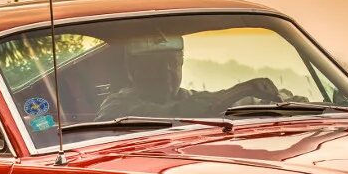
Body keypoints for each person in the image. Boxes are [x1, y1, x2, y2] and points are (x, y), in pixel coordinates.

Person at [95, 34, 281, 120]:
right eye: (155, 64)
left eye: (173, 62)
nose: (167, 70)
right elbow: (176, 112)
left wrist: (288, 103)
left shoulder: (187, 96)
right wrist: (240, 90)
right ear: (133, 70)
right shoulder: (117, 106)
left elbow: (238, 104)